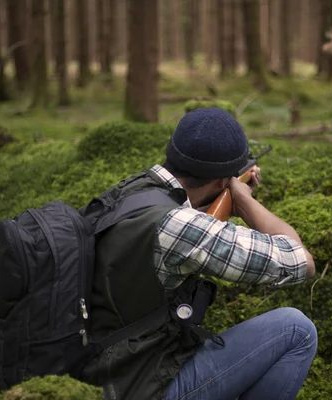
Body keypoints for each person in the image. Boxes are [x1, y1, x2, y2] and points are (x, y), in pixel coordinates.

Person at [81, 107, 317, 400]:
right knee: (297, 330)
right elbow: (301, 261)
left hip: (96, 368)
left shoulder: (133, 191)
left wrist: (221, 198)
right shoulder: (181, 228)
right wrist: (243, 201)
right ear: (221, 182)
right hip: (139, 387)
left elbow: (181, 224)